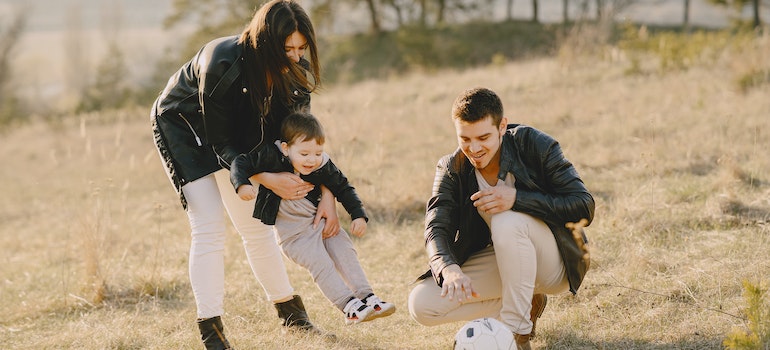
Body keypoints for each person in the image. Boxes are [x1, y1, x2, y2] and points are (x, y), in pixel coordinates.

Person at [150, 1, 335, 348]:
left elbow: (298, 143)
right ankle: (213, 335)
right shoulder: (220, 61)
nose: (296, 57)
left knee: (256, 227)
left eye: (301, 48)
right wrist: (264, 178)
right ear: (266, 44)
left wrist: (325, 192)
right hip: (185, 126)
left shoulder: (296, 74)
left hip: (235, 137)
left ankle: (293, 317)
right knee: (208, 228)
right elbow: (219, 141)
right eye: (287, 49)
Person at [407, 88, 595, 350]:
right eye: (465, 138)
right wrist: (448, 268)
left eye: (483, 137)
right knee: (422, 304)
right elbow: (436, 226)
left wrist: (517, 199)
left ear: (502, 126)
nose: (474, 148)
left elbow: (584, 206)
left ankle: (515, 333)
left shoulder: (533, 144)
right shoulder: (452, 167)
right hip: (505, 260)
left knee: (507, 220)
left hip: (554, 262)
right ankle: (525, 304)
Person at [230, 112, 396, 326]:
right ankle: (349, 306)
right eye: (305, 153)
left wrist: (358, 215)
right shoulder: (270, 157)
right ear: (285, 148)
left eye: (318, 152)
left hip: (322, 225)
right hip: (296, 237)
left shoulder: (321, 164)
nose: (312, 159)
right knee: (321, 262)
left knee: (345, 250)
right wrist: (241, 184)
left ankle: (367, 297)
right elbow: (240, 162)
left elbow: (343, 187)